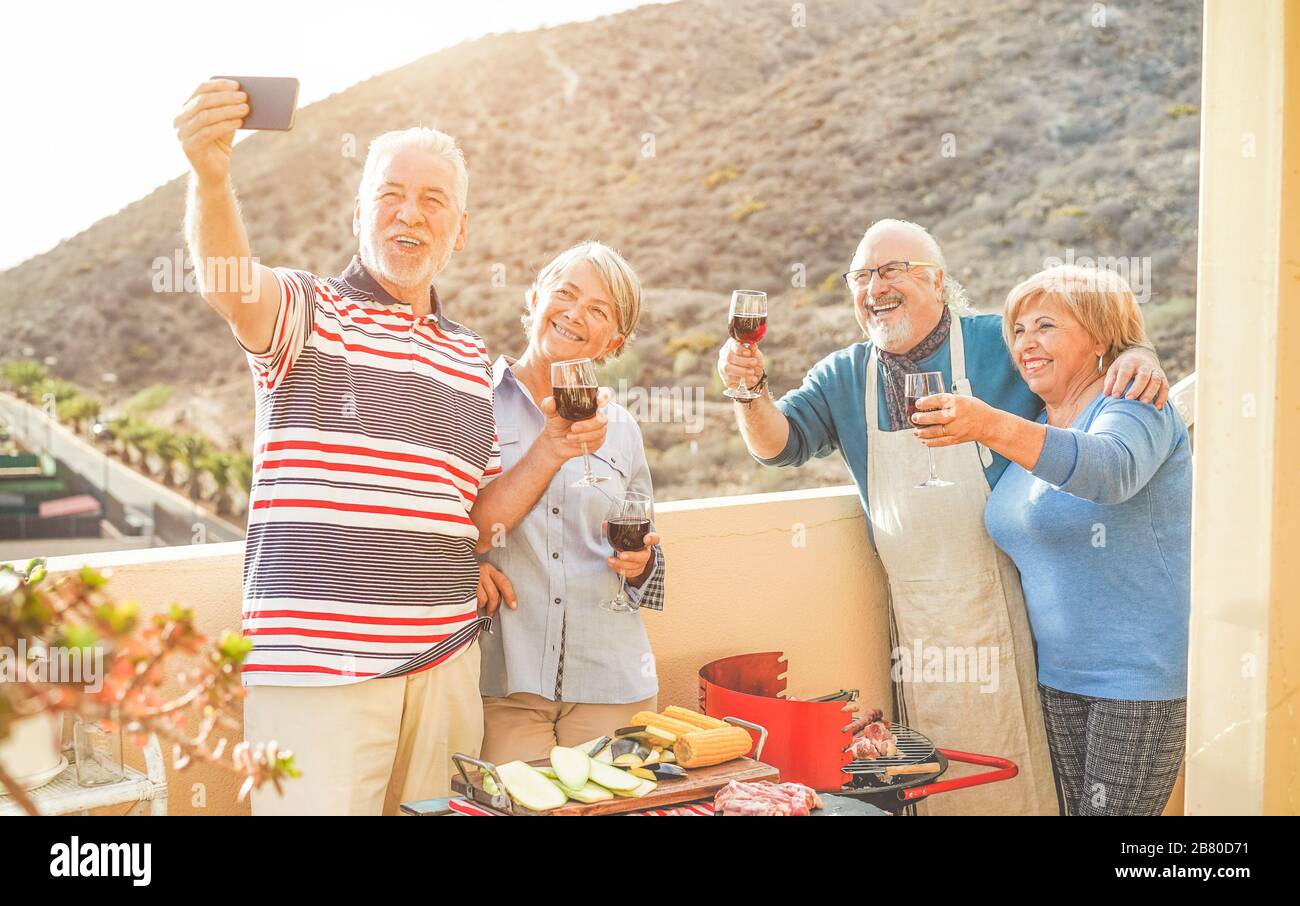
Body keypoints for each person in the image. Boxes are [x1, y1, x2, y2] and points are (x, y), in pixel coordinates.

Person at [716, 219, 1171, 815]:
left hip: (1010, 609)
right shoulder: (842, 374)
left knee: (1018, 782)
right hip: (916, 621)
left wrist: (1138, 352)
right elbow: (779, 446)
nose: (874, 286)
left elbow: (1075, 345)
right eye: (861, 276)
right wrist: (749, 395)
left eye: (891, 270)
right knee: (939, 782)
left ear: (937, 281)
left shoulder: (997, 341)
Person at [176, 80, 499, 815]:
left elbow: (479, 505)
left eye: (433, 199)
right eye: (390, 194)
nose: (410, 213)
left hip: (446, 666)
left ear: (461, 229)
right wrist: (211, 176)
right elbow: (229, 286)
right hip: (314, 675)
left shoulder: (475, 358)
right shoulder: (309, 310)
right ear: (359, 213)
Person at [913, 265, 1190, 816]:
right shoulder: (1039, 421)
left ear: (1099, 339)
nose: (1026, 343)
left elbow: (1109, 471)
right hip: (1059, 678)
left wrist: (990, 426)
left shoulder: (1134, 404)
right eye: (1018, 330)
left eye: (1046, 326)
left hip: (1135, 679)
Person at [471, 242, 665, 763]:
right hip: (505, 683)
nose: (576, 314)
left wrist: (643, 562)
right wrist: (463, 563)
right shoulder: (468, 405)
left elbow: (649, 549)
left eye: (599, 310)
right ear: (535, 299)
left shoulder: (622, 429)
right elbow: (435, 520)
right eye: (566, 294)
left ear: (614, 341)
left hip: (613, 682)